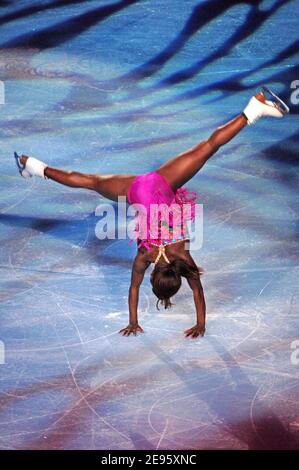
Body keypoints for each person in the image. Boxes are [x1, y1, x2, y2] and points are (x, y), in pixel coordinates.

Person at [14, 86, 289, 338]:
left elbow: (197, 290)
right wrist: (133, 320)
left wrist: (201, 323)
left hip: (160, 185)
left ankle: (253, 109)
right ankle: (34, 166)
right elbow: (134, 289)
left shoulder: (183, 257)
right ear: (154, 278)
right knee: (91, 182)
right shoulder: (143, 258)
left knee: (207, 148)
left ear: (174, 276)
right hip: (138, 190)